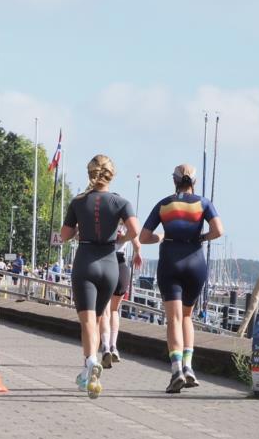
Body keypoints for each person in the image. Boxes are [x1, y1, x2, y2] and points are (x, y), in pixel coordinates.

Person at [60, 154, 141, 398]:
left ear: (90, 173)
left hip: (86, 262)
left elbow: (64, 235)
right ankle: (87, 374)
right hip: (110, 264)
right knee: (96, 321)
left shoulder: (78, 202)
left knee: (87, 322)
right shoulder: (121, 202)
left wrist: (79, 230)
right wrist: (121, 238)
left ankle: (91, 363)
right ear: (111, 175)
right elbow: (135, 230)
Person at [139, 163, 224, 394]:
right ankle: (188, 367)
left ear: (174, 181)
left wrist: (161, 237)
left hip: (170, 261)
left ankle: (176, 369)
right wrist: (201, 238)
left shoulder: (164, 204)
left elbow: (143, 237)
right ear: (194, 182)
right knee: (187, 316)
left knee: (173, 319)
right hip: (195, 262)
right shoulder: (203, 203)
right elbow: (218, 230)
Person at [99, 223, 143, 367]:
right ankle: (114, 346)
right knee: (114, 310)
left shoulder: (105, 221)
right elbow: (137, 244)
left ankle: (105, 346)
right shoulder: (127, 226)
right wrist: (137, 254)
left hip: (106, 262)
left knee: (105, 310)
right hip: (122, 267)